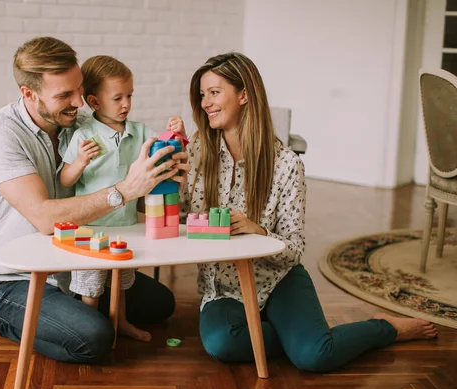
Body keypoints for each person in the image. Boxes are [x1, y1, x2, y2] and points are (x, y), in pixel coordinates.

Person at [180, 52, 438, 372]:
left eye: (214, 92)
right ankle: (301, 337)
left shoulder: (287, 163)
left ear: (244, 94)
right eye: (202, 94)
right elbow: (179, 224)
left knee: (315, 357)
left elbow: (295, 249)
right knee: (223, 343)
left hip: (278, 280)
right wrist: (165, 181)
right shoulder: (196, 152)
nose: (205, 103)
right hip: (224, 290)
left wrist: (257, 230)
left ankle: (383, 328)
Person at [0, 36, 189, 364]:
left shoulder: (83, 125)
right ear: (28, 94)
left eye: (79, 90)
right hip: (12, 276)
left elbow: (135, 167)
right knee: (94, 337)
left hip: (71, 261)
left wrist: (167, 167)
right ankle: (9, 317)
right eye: (64, 95)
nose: (79, 101)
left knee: (161, 304)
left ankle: (68, 303)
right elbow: (45, 218)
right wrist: (126, 189)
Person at [59, 55, 186, 343]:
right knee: (91, 287)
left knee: (122, 282)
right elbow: (65, 179)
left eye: (129, 95)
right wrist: (79, 161)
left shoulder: (139, 131)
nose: (126, 103)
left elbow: (166, 148)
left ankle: (121, 322)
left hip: (126, 226)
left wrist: (178, 133)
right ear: (94, 101)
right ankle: (91, 329)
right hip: (90, 229)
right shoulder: (84, 135)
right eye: (117, 98)